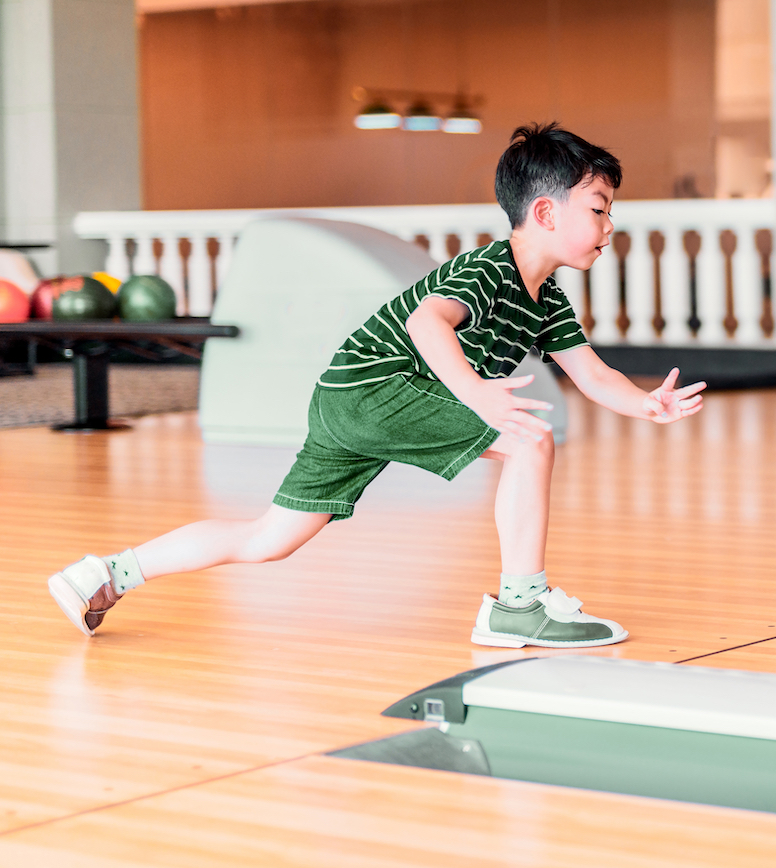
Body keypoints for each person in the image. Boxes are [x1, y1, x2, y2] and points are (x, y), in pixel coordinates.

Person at [48, 123, 705, 648]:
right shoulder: (487, 270)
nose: (609, 226)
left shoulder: (546, 299)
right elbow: (427, 322)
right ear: (545, 211)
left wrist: (646, 404)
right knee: (528, 440)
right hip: (373, 390)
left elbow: (591, 373)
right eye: (600, 208)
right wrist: (478, 393)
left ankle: (106, 574)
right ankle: (519, 605)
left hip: (344, 399)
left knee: (267, 540)